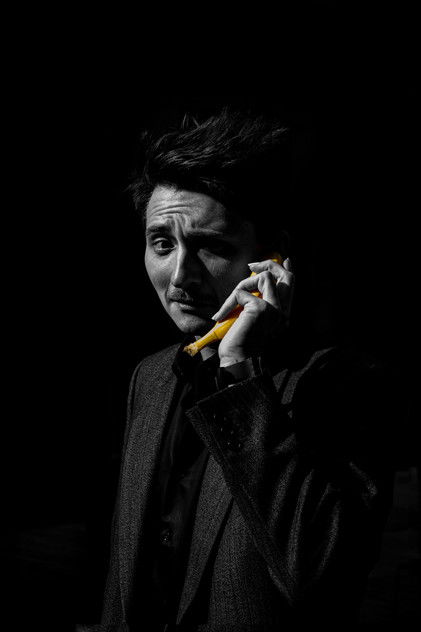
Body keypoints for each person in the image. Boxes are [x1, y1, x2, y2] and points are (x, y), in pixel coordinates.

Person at [92, 110, 396, 631]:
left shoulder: (344, 382)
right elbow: (127, 583)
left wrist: (239, 373)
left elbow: (319, 577)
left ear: (270, 258)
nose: (179, 276)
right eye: (162, 243)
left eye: (211, 246)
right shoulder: (152, 376)